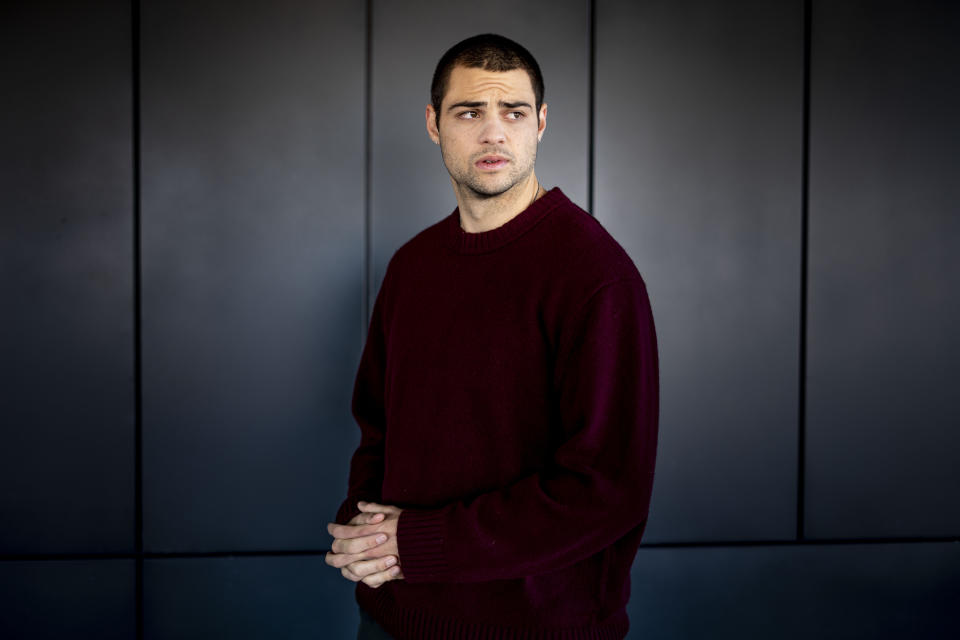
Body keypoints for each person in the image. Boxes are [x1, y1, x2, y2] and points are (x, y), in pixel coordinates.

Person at [325, 33, 659, 640]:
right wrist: (365, 528)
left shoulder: (595, 276)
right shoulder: (412, 267)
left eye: (514, 112)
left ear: (542, 122)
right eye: (469, 112)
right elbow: (378, 428)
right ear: (434, 124)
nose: (493, 133)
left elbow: (606, 491)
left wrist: (416, 544)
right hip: (392, 617)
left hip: (537, 629)